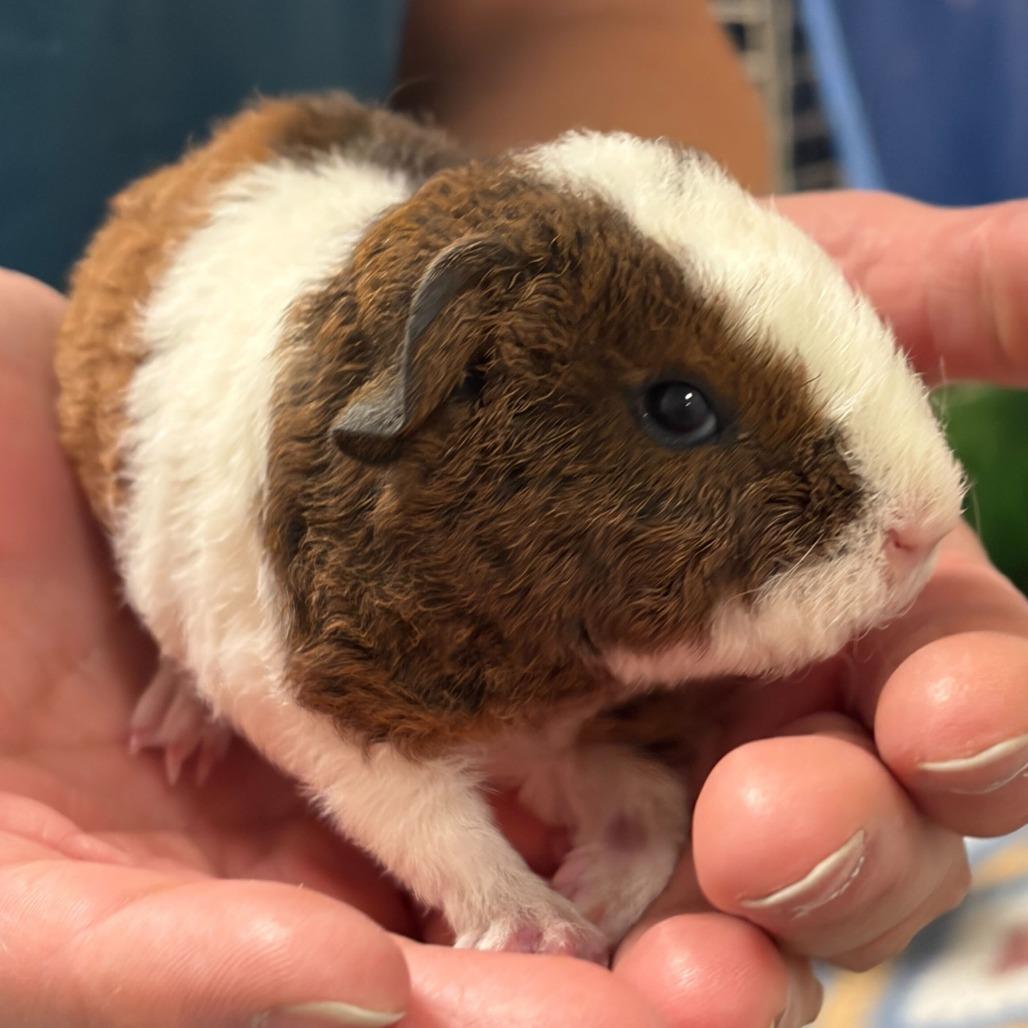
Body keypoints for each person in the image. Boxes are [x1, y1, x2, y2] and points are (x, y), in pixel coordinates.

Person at [2, 2, 1027, 1025]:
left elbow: (558, 26)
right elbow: (340, 719)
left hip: (398, 172)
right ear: (452, 389)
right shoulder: (331, 550)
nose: (915, 520)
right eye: (676, 412)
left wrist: (628, 772)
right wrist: (490, 892)